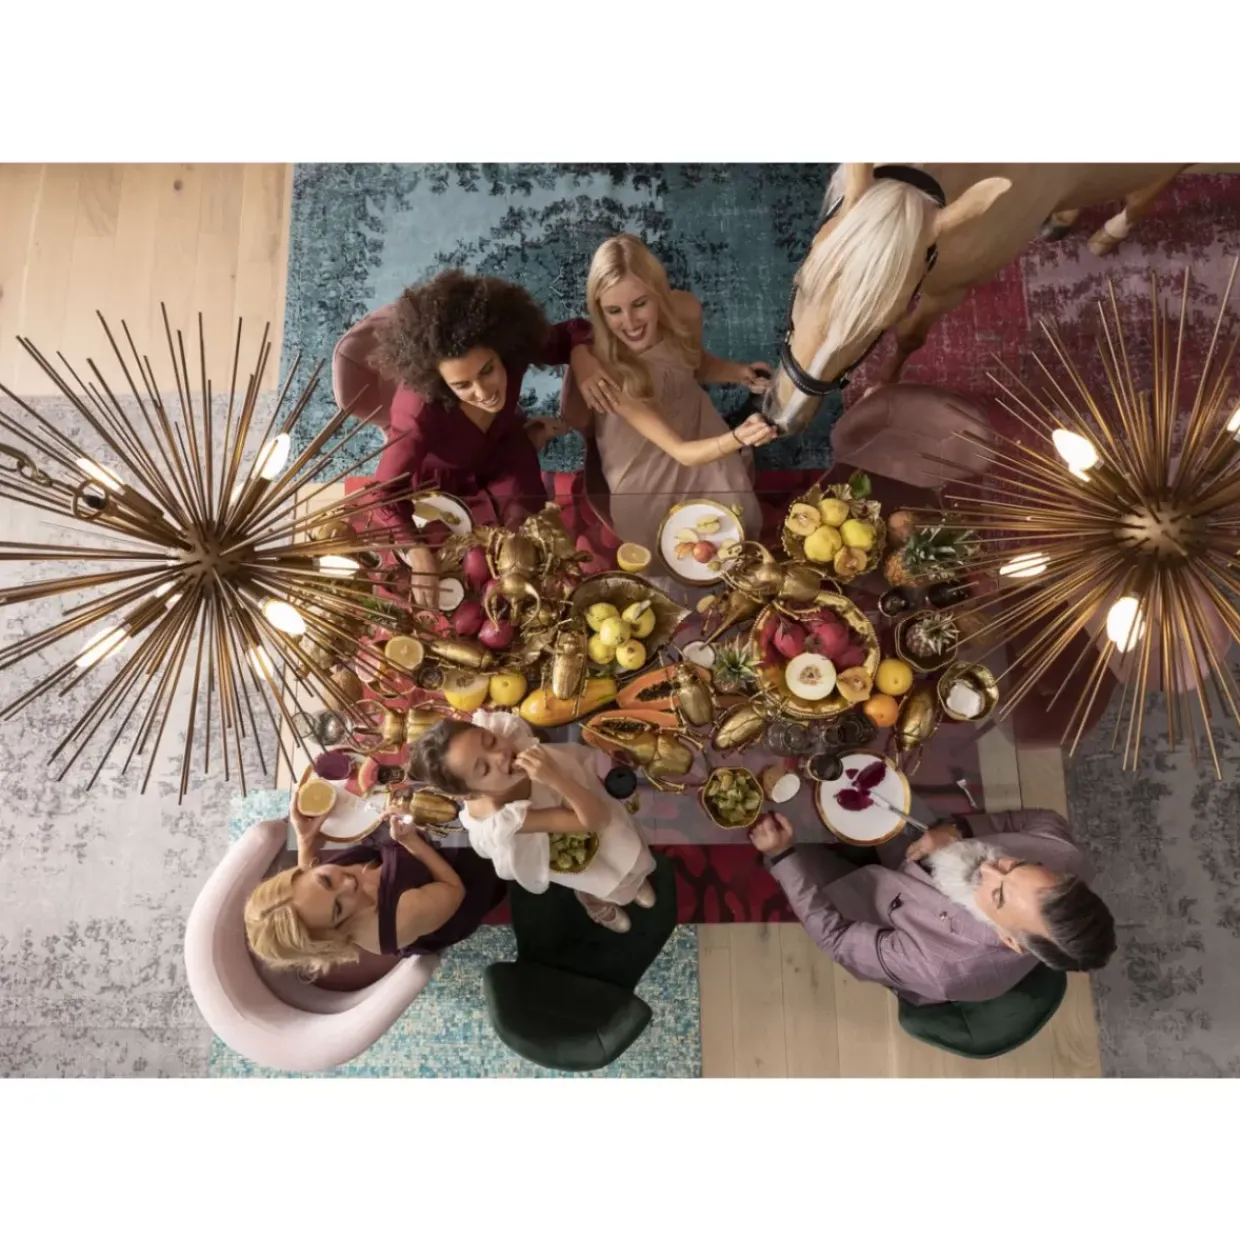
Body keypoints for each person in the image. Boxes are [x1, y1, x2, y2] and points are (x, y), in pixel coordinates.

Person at [368, 270, 593, 605]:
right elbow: (381, 493)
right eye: (462, 385)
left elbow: (574, 331)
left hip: (505, 450)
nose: (484, 392)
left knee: (529, 548)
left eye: (487, 370)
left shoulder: (513, 348)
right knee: (456, 574)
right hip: (442, 483)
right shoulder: (417, 413)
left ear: (501, 349)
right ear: (440, 385)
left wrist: (585, 362)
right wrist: (417, 553)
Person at [749, 807, 1116, 1005]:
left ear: (1008, 939)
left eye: (999, 895)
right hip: (922, 843)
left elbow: (837, 938)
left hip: (863, 904)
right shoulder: (1063, 855)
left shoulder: (941, 968)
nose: (988, 866)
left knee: (779, 846)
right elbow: (1038, 820)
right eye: (1015, 864)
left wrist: (781, 855)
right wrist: (958, 832)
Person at [567, 233, 776, 549]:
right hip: (645, 461)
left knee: (731, 532)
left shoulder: (686, 309)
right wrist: (738, 437)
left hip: (696, 424)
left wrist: (738, 372)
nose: (630, 323)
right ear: (599, 310)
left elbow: (693, 363)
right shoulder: (606, 368)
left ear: (658, 292)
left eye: (640, 303)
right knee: (668, 545)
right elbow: (681, 452)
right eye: (614, 311)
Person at [408, 711, 656, 934]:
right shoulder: (506, 819)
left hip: (577, 792)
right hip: (560, 832)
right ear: (471, 795)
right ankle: (597, 899)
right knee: (594, 868)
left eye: (490, 740)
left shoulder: (502, 732)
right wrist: (556, 778)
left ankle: (634, 876)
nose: (500, 755)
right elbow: (597, 820)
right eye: (484, 769)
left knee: (619, 841)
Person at [244, 789, 506, 978]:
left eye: (325, 879)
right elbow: (454, 889)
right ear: (333, 935)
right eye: (338, 909)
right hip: (459, 878)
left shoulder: (313, 895)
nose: (348, 884)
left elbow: (307, 881)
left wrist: (305, 840)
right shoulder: (402, 917)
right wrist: (411, 842)